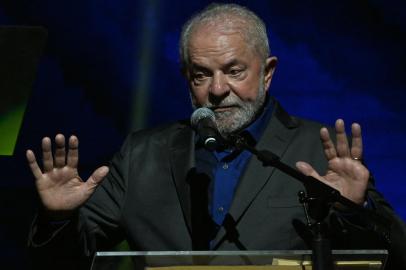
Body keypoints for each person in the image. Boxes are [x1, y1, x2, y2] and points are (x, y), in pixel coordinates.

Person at [27, 3, 406, 269]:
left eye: (234, 70)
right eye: (201, 74)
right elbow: (67, 260)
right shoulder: (142, 154)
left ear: (268, 72)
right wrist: (58, 218)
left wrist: (355, 211)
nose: (218, 89)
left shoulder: (319, 151)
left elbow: (396, 255)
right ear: (186, 79)